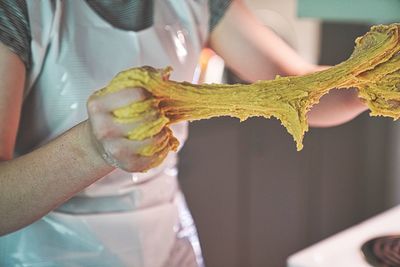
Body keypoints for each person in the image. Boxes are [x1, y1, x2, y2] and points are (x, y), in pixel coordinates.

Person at [0, 0, 367, 266]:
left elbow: (300, 89)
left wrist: (377, 79)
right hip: (49, 252)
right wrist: (93, 148)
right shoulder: (18, 9)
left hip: (168, 243)